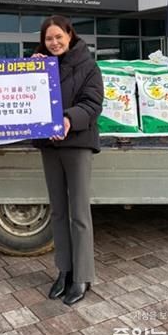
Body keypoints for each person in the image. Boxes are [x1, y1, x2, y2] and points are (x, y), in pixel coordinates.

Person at [33, 15, 104, 305]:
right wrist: (29, 71)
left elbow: (92, 103)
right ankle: (64, 270)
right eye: (49, 38)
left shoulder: (88, 65)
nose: (54, 43)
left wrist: (68, 119)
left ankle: (83, 276)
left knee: (79, 212)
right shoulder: (39, 65)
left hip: (77, 143)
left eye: (58, 37)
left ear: (69, 35)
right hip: (49, 145)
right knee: (58, 212)